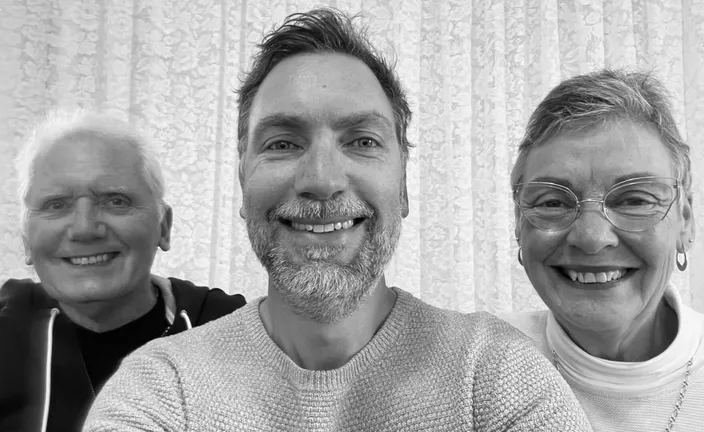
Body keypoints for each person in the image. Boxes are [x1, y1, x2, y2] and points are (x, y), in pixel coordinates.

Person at [84, 9, 592, 431]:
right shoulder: (163, 390)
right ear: (242, 182)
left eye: (362, 142)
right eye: (283, 143)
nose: (323, 180)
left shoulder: (495, 375)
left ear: (405, 185)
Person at [0, 110, 246, 432]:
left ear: (163, 227)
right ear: (26, 239)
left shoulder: (235, 334)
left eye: (116, 201)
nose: (84, 229)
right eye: (56, 204)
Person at [503, 69, 704, 431]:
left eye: (634, 199)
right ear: (520, 224)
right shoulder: (474, 360)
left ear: (685, 221)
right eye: (552, 202)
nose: (593, 238)